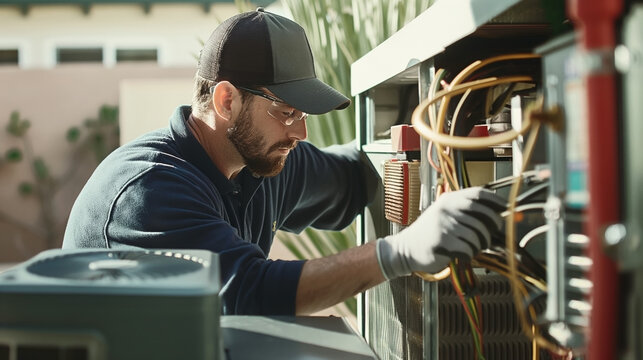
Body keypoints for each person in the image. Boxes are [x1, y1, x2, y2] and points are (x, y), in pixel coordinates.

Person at [63, 8, 505, 315]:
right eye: (287, 112)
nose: (301, 132)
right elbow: (250, 291)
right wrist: (401, 251)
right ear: (226, 100)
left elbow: (353, 177)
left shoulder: (258, 161)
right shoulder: (148, 191)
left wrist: (443, 132)